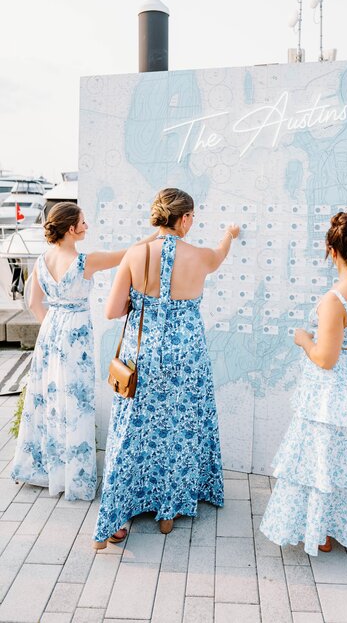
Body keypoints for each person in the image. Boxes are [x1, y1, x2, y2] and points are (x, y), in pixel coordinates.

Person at [93, 188, 240, 548]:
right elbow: (220, 254)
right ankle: (168, 512)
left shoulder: (135, 254)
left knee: (133, 430)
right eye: (192, 216)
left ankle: (120, 515)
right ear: (185, 218)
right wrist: (230, 235)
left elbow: (112, 311)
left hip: (140, 355)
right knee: (181, 428)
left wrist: (140, 296)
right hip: (187, 355)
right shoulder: (201, 256)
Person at [260, 209, 347, 560]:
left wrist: (303, 339)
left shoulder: (335, 300)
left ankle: (322, 534)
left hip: (330, 398)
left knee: (322, 461)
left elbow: (326, 360)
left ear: (332, 251)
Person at [11, 201, 158, 501]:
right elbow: (126, 255)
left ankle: (43, 469)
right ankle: (74, 478)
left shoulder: (41, 261)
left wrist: (53, 327)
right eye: (83, 222)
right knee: (75, 402)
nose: (87, 226)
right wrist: (154, 236)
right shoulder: (83, 262)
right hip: (75, 337)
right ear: (70, 229)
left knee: (49, 398)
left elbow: (33, 303)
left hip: (51, 332)